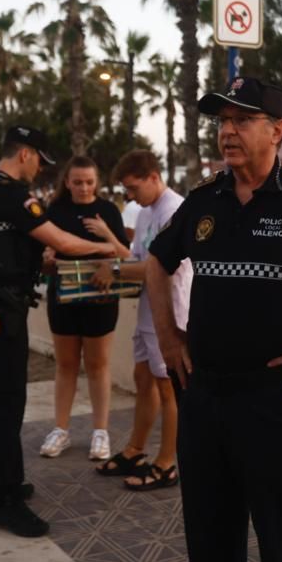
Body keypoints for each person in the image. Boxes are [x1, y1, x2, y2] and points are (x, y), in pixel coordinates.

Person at [146, 77, 282, 562]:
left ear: (278, 129)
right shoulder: (204, 200)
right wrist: (170, 337)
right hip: (204, 394)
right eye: (222, 121)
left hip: (275, 398)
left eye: (242, 120)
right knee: (210, 538)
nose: (227, 131)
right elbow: (157, 263)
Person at [0, 126, 119, 538]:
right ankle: (7, 501)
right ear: (26, 154)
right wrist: (107, 248)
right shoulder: (13, 194)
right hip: (7, 310)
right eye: (38, 160)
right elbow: (63, 242)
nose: (38, 170)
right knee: (7, 404)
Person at [94, 150, 191, 492]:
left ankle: (166, 463)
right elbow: (135, 258)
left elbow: (159, 266)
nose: (130, 197)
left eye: (133, 188)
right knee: (143, 377)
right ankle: (135, 449)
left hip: (172, 311)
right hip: (148, 311)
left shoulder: (175, 210)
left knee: (169, 389)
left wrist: (115, 270)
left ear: (153, 176)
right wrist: (106, 259)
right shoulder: (148, 212)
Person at [39, 156, 131, 462]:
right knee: (65, 365)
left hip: (100, 300)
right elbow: (45, 259)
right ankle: (61, 429)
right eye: (77, 182)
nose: (83, 188)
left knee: (98, 365)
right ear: (67, 182)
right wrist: (48, 261)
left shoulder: (106, 211)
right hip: (63, 298)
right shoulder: (54, 211)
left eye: (89, 182)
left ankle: (100, 432)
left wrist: (106, 232)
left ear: (98, 182)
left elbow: (125, 256)